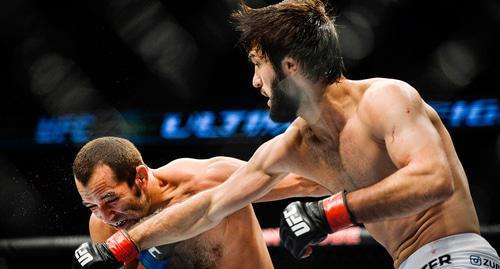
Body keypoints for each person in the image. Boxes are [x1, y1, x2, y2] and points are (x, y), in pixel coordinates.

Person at [72, 1, 500, 268]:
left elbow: (434, 179)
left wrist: (329, 214)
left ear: (290, 67)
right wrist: (122, 246)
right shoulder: (293, 148)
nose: (256, 83)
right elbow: (210, 205)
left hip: (456, 255)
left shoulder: (385, 99)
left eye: (259, 66)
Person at [71, 136, 328, 269]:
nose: (106, 215)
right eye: (92, 206)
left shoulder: (207, 181)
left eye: (110, 199)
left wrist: (326, 214)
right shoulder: (104, 226)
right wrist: (154, 261)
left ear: (139, 177)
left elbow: (309, 182)